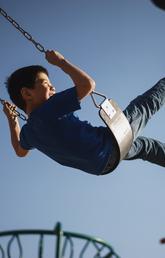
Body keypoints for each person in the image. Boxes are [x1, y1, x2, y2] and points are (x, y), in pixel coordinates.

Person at [3, 50, 165, 176]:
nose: (53, 87)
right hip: (108, 145)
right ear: (27, 94)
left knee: (145, 147)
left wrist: (12, 120)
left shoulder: (29, 133)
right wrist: (60, 62)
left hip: (102, 166)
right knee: (145, 105)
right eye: (46, 83)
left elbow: (20, 150)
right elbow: (87, 85)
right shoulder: (48, 109)